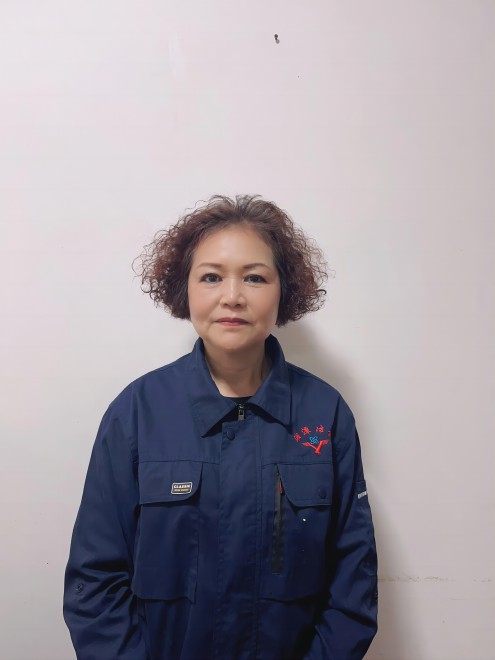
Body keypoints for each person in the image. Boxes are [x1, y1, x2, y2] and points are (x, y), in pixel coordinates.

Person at [63, 194, 378, 660]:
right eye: (211, 277)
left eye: (255, 277)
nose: (233, 296)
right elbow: (95, 582)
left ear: (284, 290)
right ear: (184, 288)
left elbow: (353, 584)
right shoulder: (137, 413)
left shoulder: (325, 414)